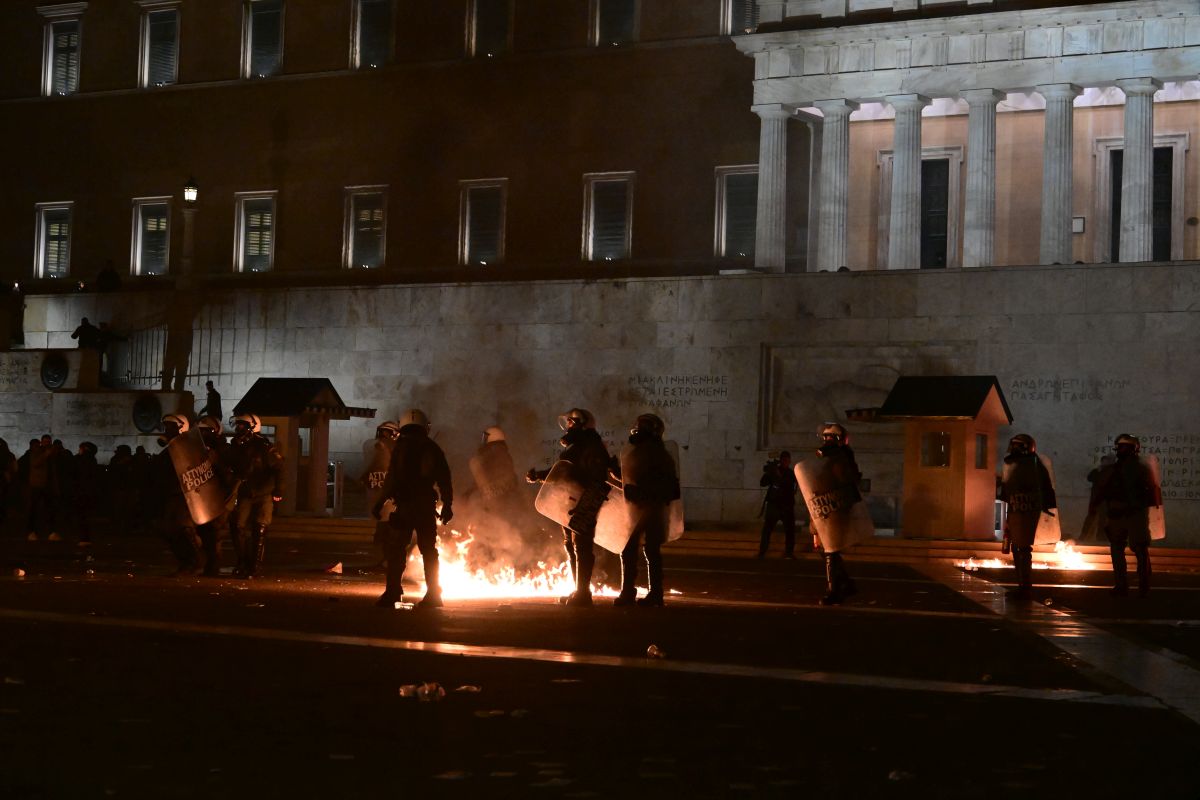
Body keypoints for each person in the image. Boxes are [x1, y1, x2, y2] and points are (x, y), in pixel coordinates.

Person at [526, 408, 613, 607]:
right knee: (572, 545)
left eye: (572, 422)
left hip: (585, 500)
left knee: (581, 546)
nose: (568, 426)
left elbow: (583, 474)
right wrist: (540, 476)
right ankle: (577, 590)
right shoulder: (578, 445)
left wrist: (540, 476)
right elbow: (562, 470)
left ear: (582, 424)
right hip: (571, 500)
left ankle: (583, 593)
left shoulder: (590, 445)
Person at [371, 409, 453, 609]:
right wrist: (448, 505)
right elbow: (445, 479)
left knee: (397, 548)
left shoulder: (402, 447)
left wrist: (379, 502)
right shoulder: (433, 447)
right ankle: (434, 593)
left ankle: (393, 592)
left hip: (406, 507)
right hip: (425, 507)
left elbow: (392, 478)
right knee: (429, 551)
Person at [613, 414, 679, 607]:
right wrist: (616, 474)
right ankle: (647, 593)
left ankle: (640, 593)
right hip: (640, 508)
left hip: (652, 508)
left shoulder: (658, 455)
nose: (637, 430)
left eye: (642, 427)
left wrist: (639, 491)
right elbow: (631, 479)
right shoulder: (644, 452)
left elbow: (661, 485)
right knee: (640, 550)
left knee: (643, 550)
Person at [1088, 433, 1162, 597]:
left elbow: (1150, 494)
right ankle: (1125, 585)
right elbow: (1101, 486)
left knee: (1138, 549)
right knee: (1120, 549)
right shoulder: (1116, 469)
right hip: (1119, 513)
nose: (1120, 450)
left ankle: (1141, 584)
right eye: (1119, 447)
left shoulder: (1139, 469)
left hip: (1134, 514)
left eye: (1123, 447)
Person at [997, 434, 1057, 601]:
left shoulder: (1034, 464)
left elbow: (1045, 489)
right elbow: (1007, 489)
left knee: (1022, 549)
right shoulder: (1013, 463)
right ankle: (1022, 586)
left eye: (1018, 445)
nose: (1015, 448)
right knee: (1017, 548)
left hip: (1027, 509)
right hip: (1016, 509)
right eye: (1014, 445)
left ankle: (1025, 588)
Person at [227, 413, 283, 578]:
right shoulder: (236, 446)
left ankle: (255, 566)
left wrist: (278, 490)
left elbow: (279, 468)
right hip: (244, 492)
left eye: (243, 425)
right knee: (237, 527)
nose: (239, 428)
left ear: (253, 426)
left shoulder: (264, 446)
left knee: (259, 529)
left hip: (263, 492)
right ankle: (242, 562)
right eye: (238, 425)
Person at [812, 423, 862, 605]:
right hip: (825, 510)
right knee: (826, 552)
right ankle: (847, 585)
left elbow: (847, 482)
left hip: (837, 510)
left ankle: (834, 591)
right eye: (826, 438)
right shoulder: (826, 460)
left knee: (831, 552)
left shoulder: (844, 459)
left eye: (832, 438)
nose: (828, 442)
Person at [155, 414, 203, 575]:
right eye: (166, 426)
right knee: (167, 529)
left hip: (185, 495)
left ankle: (195, 561)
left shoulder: (188, 447)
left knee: (184, 527)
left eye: (171, 426)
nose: (167, 430)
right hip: (171, 493)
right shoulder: (170, 449)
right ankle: (185, 561)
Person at [195, 416, 233, 577]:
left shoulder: (224, 450)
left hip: (219, 496)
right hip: (202, 497)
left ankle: (213, 566)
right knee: (203, 532)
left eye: (206, 431)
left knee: (216, 532)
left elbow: (229, 475)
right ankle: (207, 564)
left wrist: (216, 463)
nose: (203, 434)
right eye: (201, 431)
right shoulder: (198, 448)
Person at [360, 420, 401, 558]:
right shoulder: (383, 447)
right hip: (385, 493)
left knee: (383, 526)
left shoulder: (373, 446)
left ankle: (381, 557)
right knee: (385, 526)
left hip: (380, 492)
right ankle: (382, 557)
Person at [758, 450, 799, 558]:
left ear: (789, 461)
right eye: (783, 460)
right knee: (767, 529)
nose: (785, 462)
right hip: (774, 505)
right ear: (781, 461)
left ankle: (789, 552)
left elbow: (791, 488)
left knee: (790, 531)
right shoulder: (775, 471)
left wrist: (778, 476)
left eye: (787, 460)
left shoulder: (791, 474)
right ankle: (762, 551)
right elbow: (763, 483)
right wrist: (770, 473)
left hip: (786, 506)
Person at [73, 442, 102, 545]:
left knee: (82, 516)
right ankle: (86, 537)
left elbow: (78, 475)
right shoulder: (92, 460)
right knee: (86, 516)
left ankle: (84, 538)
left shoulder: (81, 460)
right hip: (88, 492)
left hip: (82, 492)